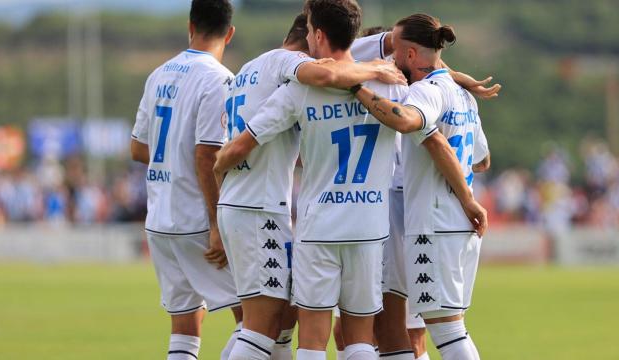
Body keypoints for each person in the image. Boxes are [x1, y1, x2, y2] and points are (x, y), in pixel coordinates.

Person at [213, 1, 415, 358]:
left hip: (316, 226)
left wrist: (218, 167)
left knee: (309, 338)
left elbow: (241, 144)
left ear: (317, 35)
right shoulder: (391, 86)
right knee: (360, 338)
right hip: (368, 227)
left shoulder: (295, 88)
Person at [351, 13, 490, 360]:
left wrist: (357, 88)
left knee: (446, 331)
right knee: (442, 327)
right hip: (455, 224)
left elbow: (408, 121)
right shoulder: (463, 95)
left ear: (411, 55)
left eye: (394, 50)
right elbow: (481, 160)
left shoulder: (424, 92)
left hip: (435, 222)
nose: (391, 59)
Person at [130, 1, 242, 359]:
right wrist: (216, 223)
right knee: (258, 319)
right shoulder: (219, 79)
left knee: (185, 325)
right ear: (230, 33)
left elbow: (137, 148)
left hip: (160, 220)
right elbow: (206, 155)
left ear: (190, 25)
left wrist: (174, 162)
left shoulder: (158, 74)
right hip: (195, 219)